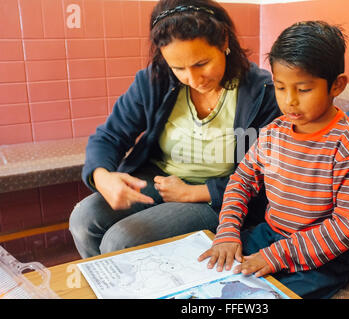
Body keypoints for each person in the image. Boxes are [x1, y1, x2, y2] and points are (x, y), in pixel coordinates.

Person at [69, 0, 280, 259]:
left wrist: (194, 192)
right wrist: (103, 177)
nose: (192, 79)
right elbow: (110, 136)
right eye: (178, 68)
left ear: (224, 41)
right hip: (159, 180)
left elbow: (268, 174)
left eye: (201, 63)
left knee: (123, 239)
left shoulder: (263, 92)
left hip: (216, 195)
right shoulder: (154, 80)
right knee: (84, 219)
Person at [199, 21, 349, 299]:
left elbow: (348, 225)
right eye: (280, 87)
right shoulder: (274, 133)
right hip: (271, 233)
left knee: (262, 297)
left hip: (326, 255)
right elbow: (241, 181)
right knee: (210, 274)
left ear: (337, 85)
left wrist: (277, 257)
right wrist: (227, 232)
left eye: (304, 89)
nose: (290, 101)